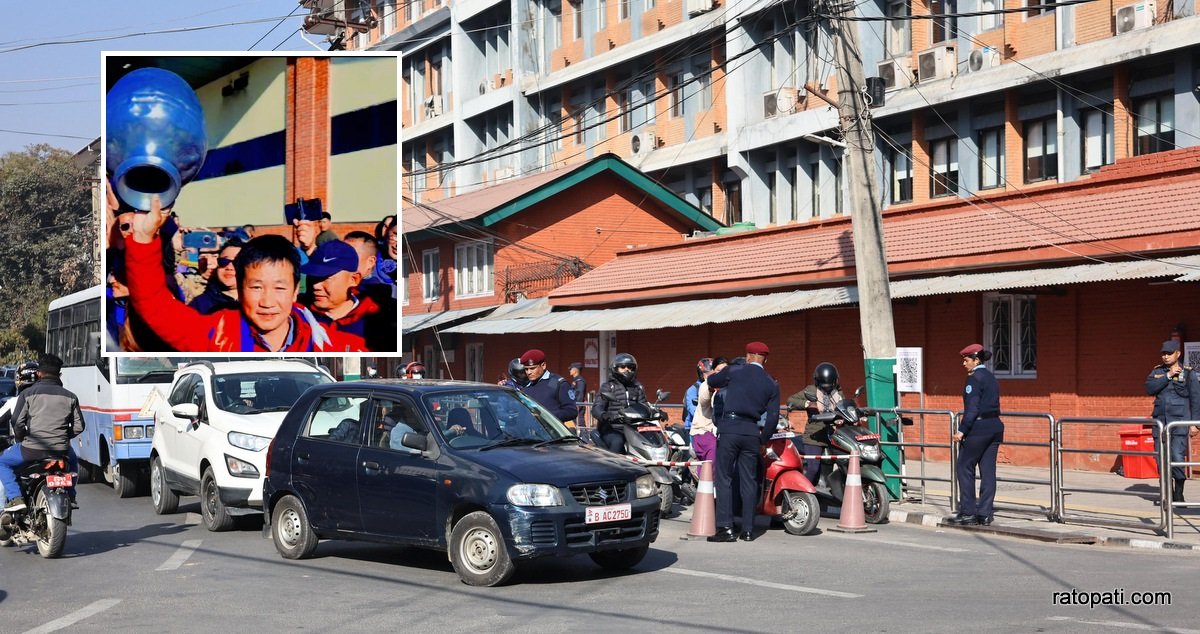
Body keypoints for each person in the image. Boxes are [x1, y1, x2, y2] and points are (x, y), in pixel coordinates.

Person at [125, 194, 362, 352]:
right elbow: (154, 304)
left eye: (279, 287)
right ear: (240, 288)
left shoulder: (331, 342)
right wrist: (144, 239)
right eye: (256, 287)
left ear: (294, 291)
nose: (267, 302)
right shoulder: (214, 334)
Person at [705, 342, 779, 542]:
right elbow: (773, 418)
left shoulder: (735, 371)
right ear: (766, 359)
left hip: (730, 428)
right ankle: (748, 530)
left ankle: (726, 529)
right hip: (752, 432)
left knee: (724, 479)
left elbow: (714, 380)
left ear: (748, 356)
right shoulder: (771, 383)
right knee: (749, 481)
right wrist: (763, 439)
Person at [0, 355, 85, 512]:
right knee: (73, 462)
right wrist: (63, 437)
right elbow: (79, 426)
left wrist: (22, 439)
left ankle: (15, 498)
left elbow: (17, 422)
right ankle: (71, 495)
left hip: (31, 450)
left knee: (3, 462)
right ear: (59, 375)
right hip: (61, 450)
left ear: (39, 373)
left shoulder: (27, 394)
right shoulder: (71, 396)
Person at [946, 344, 1005, 526]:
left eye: (966, 360)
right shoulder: (990, 377)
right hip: (994, 426)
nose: (964, 363)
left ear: (976, 360)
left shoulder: (974, 379)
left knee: (964, 467)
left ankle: (968, 512)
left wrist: (962, 430)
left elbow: (972, 409)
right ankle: (985, 513)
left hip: (978, 428)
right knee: (988, 472)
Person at [302, 240, 385, 351]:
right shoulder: (298, 315)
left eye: (325, 278)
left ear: (354, 279)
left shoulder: (377, 321)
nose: (316, 286)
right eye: (313, 277)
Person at [1145, 340, 1200, 503]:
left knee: (1176, 456)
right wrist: (1168, 375)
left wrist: (1195, 424)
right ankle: (1166, 493)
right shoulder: (1157, 372)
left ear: (1178, 353)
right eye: (1164, 353)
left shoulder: (1189, 373)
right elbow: (1149, 389)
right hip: (1161, 422)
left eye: (1169, 353)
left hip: (1179, 422)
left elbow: (1196, 400)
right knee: (1161, 458)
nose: (1166, 356)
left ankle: (1179, 492)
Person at [787, 362, 845, 485]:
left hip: (835, 434)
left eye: (830, 384)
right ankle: (801, 491)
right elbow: (791, 400)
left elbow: (844, 406)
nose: (828, 387)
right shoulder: (811, 390)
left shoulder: (838, 393)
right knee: (814, 469)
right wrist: (807, 404)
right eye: (825, 384)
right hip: (814, 435)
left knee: (838, 466)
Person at [592, 353, 656, 453]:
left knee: (654, 441)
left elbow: (644, 405)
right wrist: (607, 416)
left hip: (635, 429)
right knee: (618, 442)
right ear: (615, 368)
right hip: (613, 429)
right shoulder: (608, 387)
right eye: (622, 367)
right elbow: (596, 408)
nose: (627, 369)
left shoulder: (637, 387)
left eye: (630, 367)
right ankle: (613, 467)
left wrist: (656, 412)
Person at [518, 349, 577, 425]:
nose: (529, 372)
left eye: (532, 368)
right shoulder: (525, 387)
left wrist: (546, 416)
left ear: (543, 365)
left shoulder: (557, 384)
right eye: (526, 369)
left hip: (553, 434)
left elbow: (571, 411)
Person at [188, 241, 242, 315]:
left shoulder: (257, 301)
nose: (229, 267)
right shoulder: (200, 304)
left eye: (237, 262)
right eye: (223, 261)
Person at [690, 357, 726, 466]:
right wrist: (711, 387)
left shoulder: (726, 386)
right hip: (704, 431)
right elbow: (704, 399)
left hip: (721, 431)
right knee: (711, 464)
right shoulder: (703, 386)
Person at [567, 362, 587, 429]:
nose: (570, 370)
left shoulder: (580, 381)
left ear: (575, 370)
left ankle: (584, 438)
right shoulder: (576, 380)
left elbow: (580, 393)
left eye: (571, 369)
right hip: (574, 405)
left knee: (580, 424)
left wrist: (577, 405)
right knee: (575, 423)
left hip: (578, 406)